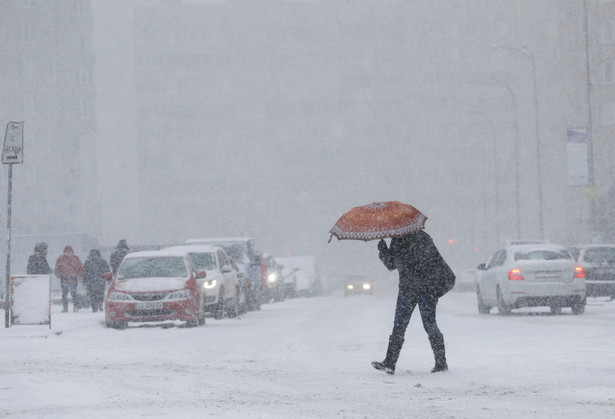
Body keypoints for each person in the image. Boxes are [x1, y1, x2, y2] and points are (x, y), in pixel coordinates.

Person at [372, 229, 456, 375]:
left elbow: (392, 265)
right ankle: (440, 362)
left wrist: (384, 252)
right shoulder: (420, 237)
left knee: (400, 325)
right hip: (423, 288)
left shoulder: (401, 240)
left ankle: (391, 362)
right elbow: (432, 260)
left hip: (412, 288)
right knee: (428, 324)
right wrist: (384, 250)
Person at [54, 245, 85, 313]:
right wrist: (81, 274)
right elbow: (80, 267)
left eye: (69, 252)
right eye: (67, 252)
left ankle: (66, 308)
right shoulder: (75, 258)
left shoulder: (61, 258)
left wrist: (58, 274)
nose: (68, 253)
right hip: (72, 278)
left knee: (65, 293)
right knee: (72, 293)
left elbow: (57, 268)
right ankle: (75, 306)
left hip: (65, 278)